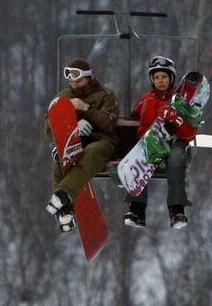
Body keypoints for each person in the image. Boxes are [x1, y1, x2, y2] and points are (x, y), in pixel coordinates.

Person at [45, 58, 123, 233]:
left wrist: (87, 109)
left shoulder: (105, 95)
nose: (75, 85)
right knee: (59, 154)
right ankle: (65, 210)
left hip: (102, 143)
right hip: (74, 142)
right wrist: (71, 124)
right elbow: (48, 126)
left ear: (90, 77)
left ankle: (64, 195)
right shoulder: (63, 97)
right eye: (71, 81)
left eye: (79, 80)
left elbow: (109, 124)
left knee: (93, 151)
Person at [126, 55, 197, 230]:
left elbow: (189, 132)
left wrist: (176, 119)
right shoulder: (145, 100)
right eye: (156, 77)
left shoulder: (179, 101)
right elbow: (133, 117)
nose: (160, 81)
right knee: (139, 157)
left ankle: (176, 210)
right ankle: (137, 210)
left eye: (164, 77)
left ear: (171, 78)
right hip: (151, 144)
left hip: (174, 144)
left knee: (175, 159)